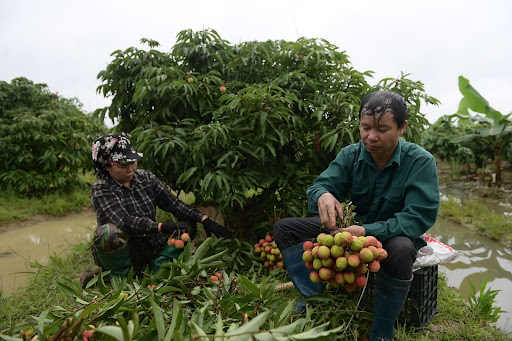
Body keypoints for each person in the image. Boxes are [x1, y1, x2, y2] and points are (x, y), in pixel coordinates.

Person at [273, 90, 440, 341]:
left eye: (382, 130)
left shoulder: (419, 162)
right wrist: (323, 195)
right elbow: (319, 186)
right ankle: (311, 296)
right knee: (285, 228)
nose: (371, 137)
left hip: (390, 237)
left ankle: (382, 328)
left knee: (403, 248)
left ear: (402, 128)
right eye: (365, 127)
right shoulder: (350, 155)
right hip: (350, 232)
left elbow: (418, 217)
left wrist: (368, 231)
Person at [87, 132, 226, 281]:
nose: (130, 169)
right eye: (122, 165)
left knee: (187, 224)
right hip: (126, 248)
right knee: (109, 233)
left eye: (133, 162)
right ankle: (122, 277)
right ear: (107, 167)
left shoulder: (146, 178)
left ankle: (157, 267)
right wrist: (160, 227)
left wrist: (203, 218)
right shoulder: (102, 188)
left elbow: (173, 204)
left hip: (151, 244)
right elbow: (124, 221)